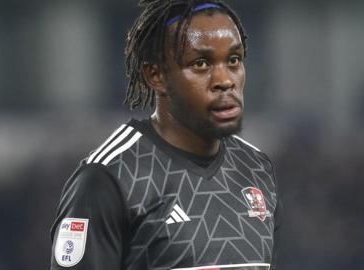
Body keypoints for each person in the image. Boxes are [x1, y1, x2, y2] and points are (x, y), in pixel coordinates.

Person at [50, 0, 282, 269]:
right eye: (201, 63)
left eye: (233, 60)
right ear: (156, 75)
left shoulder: (256, 169)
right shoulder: (110, 178)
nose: (225, 80)